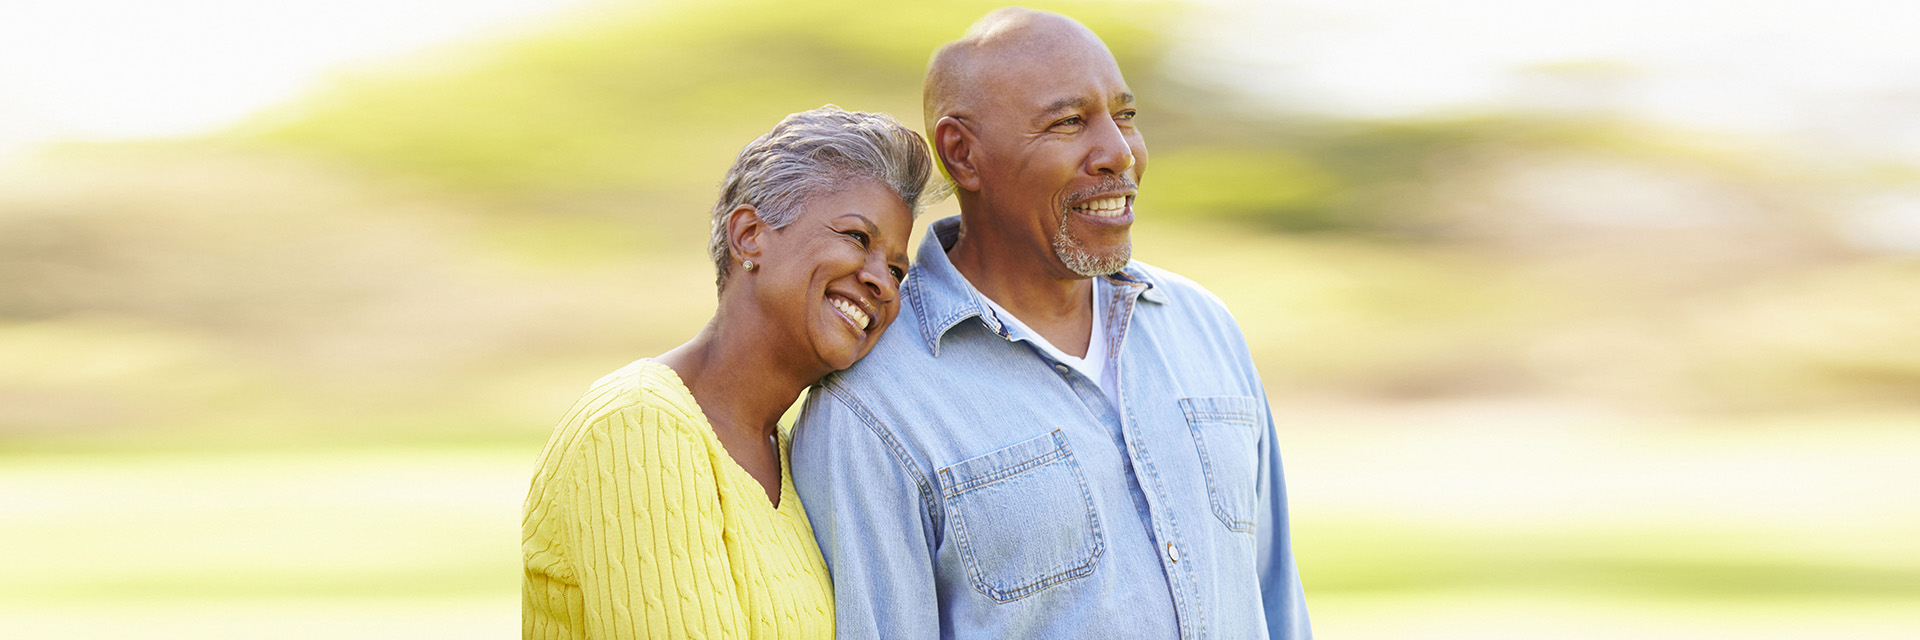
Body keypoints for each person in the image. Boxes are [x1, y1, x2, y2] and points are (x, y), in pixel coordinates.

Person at [790, 9, 1311, 639]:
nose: (1119, 153)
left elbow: (1277, 603)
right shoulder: (871, 407)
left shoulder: (1205, 327)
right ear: (963, 154)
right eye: (1069, 122)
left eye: (1125, 117)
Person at [522, 106, 936, 639]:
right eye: (858, 238)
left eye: (898, 269)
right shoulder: (637, 429)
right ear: (748, 236)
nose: (883, 281)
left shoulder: (794, 457)